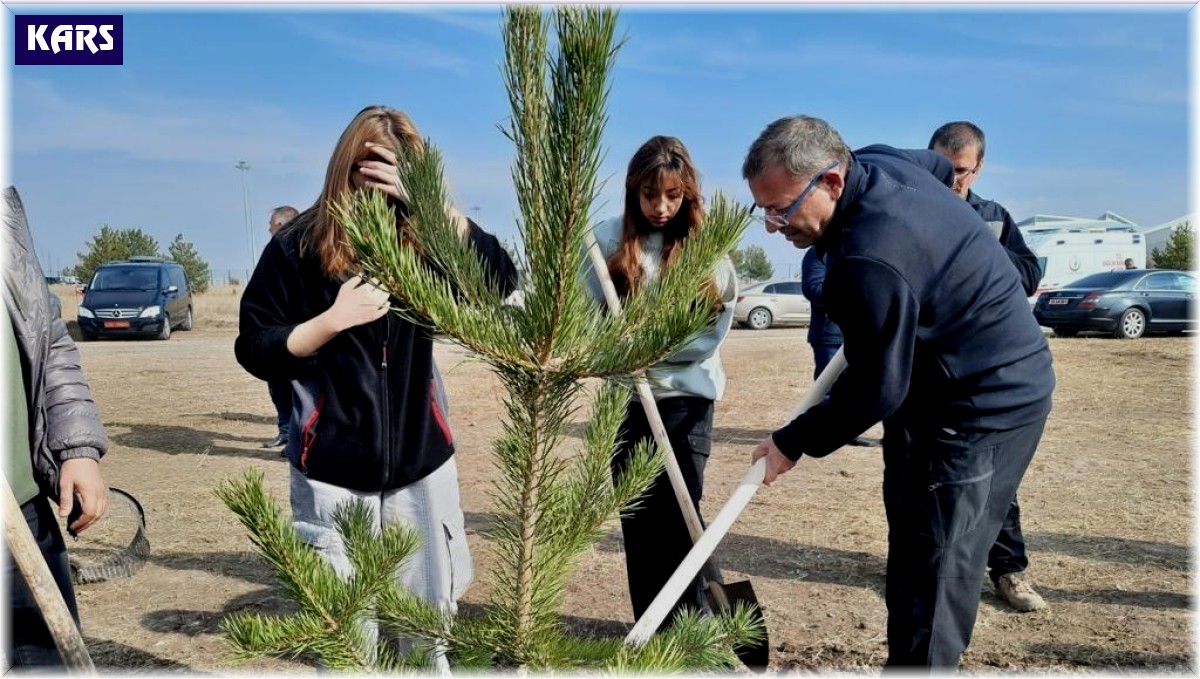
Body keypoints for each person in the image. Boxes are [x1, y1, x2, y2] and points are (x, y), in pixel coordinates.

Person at [741, 115, 1055, 669]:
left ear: (832, 182)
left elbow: (875, 390)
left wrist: (793, 441)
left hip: (985, 401)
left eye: (781, 208)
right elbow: (938, 165)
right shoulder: (881, 159)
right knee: (911, 535)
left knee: (936, 563)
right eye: (762, 208)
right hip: (940, 385)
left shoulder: (868, 260)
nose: (771, 225)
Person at [234, 105, 518, 668]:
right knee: (346, 644)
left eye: (398, 179)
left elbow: (499, 281)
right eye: (370, 179)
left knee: (427, 633)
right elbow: (254, 346)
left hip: (423, 467)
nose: (382, 200)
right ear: (347, 170)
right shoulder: (297, 246)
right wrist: (331, 321)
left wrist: (437, 208)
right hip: (333, 476)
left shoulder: (427, 242)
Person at [583, 135, 737, 627]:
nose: (661, 207)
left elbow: (710, 334)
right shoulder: (604, 241)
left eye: (673, 196)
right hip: (626, 402)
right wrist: (615, 354)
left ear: (688, 195)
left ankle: (691, 630)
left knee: (679, 517)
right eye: (651, 195)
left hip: (685, 403)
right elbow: (587, 322)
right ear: (634, 192)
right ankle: (650, 628)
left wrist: (645, 351)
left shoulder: (706, 252)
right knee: (639, 519)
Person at [929, 121, 1046, 613]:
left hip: (983, 374)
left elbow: (1029, 274)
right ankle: (927, 562)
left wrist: (980, 251)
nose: (950, 181)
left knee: (995, 482)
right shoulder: (913, 212)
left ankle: (1009, 571)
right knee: (919, 474)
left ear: (977, 169)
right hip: (928, 371)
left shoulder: (993, 219)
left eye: (960, 171)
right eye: (941, 168)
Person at [4, 186, 110, 669]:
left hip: (22, 506)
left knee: (48, 662)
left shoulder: (4, 205)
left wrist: (78, 448)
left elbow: (45, 336)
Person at [799, 247, 877, 448]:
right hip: (829, 335)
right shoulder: (818, 254)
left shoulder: (852, 249)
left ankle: (845, 432)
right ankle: (818, 432)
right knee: (827, 387)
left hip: (856, 335)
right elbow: (812, 287)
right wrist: (850, 293)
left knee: (854, 387)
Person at [261, 205, 299, 452]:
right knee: (278, 386)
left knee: (297, 390)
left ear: (283, 225)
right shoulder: (274, 253)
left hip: (295, 334)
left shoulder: (299, 251)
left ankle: (295, 439)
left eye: (272, 224)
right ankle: (286, 433)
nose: (268, 229)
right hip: (275, 332)